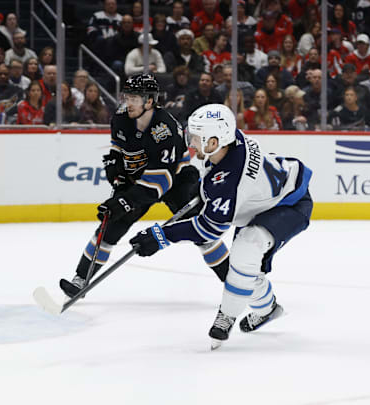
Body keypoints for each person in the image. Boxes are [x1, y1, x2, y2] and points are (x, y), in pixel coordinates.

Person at [130, 103, 313, 349]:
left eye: (196, 138)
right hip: (264, 196)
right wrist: (204, 188)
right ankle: (268, 309)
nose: (191, 143)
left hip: (290, 203)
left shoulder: (231, 185)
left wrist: (161, 236)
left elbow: (207, 230)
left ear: (214, 142)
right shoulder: (230, 140)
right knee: (246, 270)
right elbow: (216, 172)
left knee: (246, 250)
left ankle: (227, 314)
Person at [59, 74, 230, 298]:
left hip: (175, 181)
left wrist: (124, 200)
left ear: (149, 101)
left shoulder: (165, 128)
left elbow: (160, 183)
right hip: (138, 179)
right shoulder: (121, 117)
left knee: (202, 232)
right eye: (127, 96)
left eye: (134, 98)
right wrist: (115, 168)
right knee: (110, 227)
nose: (128, 102)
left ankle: (233, 283)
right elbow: (118, 148)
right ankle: (81, 278)